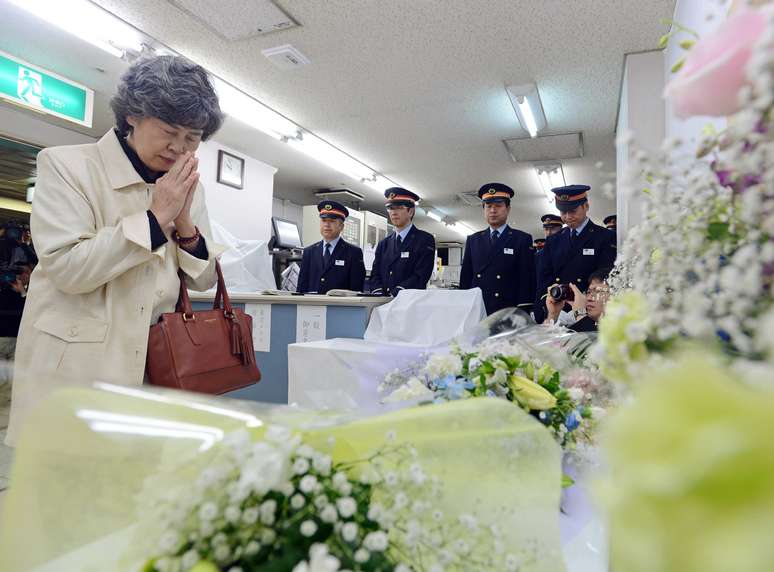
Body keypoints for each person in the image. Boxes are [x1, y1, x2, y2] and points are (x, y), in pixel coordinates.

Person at [5, 55, 225, 446]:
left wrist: (185, 224)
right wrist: (156, 218)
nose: (178, 147)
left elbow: (204, 280)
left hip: (154, 370)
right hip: (74, 373)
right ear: (132, 116)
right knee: (68, 476)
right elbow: (68, 269)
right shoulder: (67, 166)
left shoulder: (190, 188)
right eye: (169, 131)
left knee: (136, 478)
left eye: (192, 138)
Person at [535, 184, 617, 323]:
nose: (568, 217)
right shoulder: (553, 240)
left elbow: (604, 279)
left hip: (588, 312)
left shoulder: (605, 237)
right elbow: (544, 280)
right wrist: (544, 311)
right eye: (563, 212)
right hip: (557, 310)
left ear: (586, 206)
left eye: (573, 211)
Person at [459, 183, 535, 315]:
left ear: (508, 209)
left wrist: (523, 310)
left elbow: (526, 278)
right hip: (478, 308)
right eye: (488, 206)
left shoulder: (521, 239)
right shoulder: (473, 240)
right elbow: (466, 277)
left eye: (498, 206)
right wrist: (463, 304)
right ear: (484, 209)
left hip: (508, 310)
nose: (493, 210)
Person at [369, 187, 435, 296]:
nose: (393, 213)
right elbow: (375, 275)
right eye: (390, 208)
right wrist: (378, 293)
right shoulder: (383, 244)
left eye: (399, 208)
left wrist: (396, 293)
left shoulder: (424, 240)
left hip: (409, 301)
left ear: (411, 211)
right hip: (383, 302)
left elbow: (420, 275)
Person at [297, 201, 366, 294]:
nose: (327, 225)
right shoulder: (309, 252)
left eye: (332, 221)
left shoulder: (353, 253)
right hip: (313, 302)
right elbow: (301, 288)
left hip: (339, 303)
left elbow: (356, 289)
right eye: (324, 220)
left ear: (341, 226)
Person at [543, 267, 611, 332]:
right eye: (588, 292)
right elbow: (546, 338)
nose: (589, 298)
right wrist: (553, 314)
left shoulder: (617, 328)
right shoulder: (576, 317)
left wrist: (580, 313)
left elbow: (593, 338)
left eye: (598, 292)